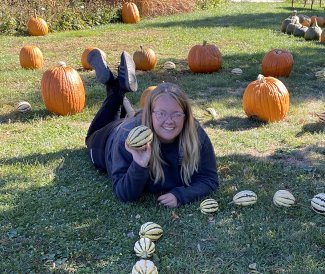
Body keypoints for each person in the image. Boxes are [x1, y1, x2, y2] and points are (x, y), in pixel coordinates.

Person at [85, 49, 219, 208]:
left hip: (139, 123)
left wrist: (181, 195)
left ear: (186, 115)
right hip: (108, 139)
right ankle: (116, 90)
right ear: (150, 114)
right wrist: (139, 163)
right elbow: (124, 194)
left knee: (131, 116)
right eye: (161, 113)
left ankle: (118, 88)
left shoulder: (195, 133)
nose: (169, 121)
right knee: (90, 138)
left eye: (176, 114)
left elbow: (210, 179)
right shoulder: (126, 137)